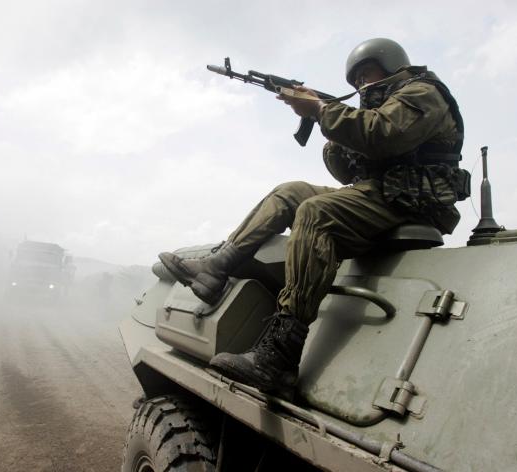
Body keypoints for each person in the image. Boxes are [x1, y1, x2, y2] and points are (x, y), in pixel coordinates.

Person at [158, 38, 470, 399]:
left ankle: (279, 357)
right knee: (290, 192)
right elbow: (345, 173)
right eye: (355, 81)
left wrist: (322, 110)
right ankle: (216, 269)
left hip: (414, 201)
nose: (361, 85)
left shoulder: (423, 92)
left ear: (390, 66)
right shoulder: (374, 107)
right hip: (381, 194)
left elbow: (382, 135)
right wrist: (327, 126)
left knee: (316, 212)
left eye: (366, 74)